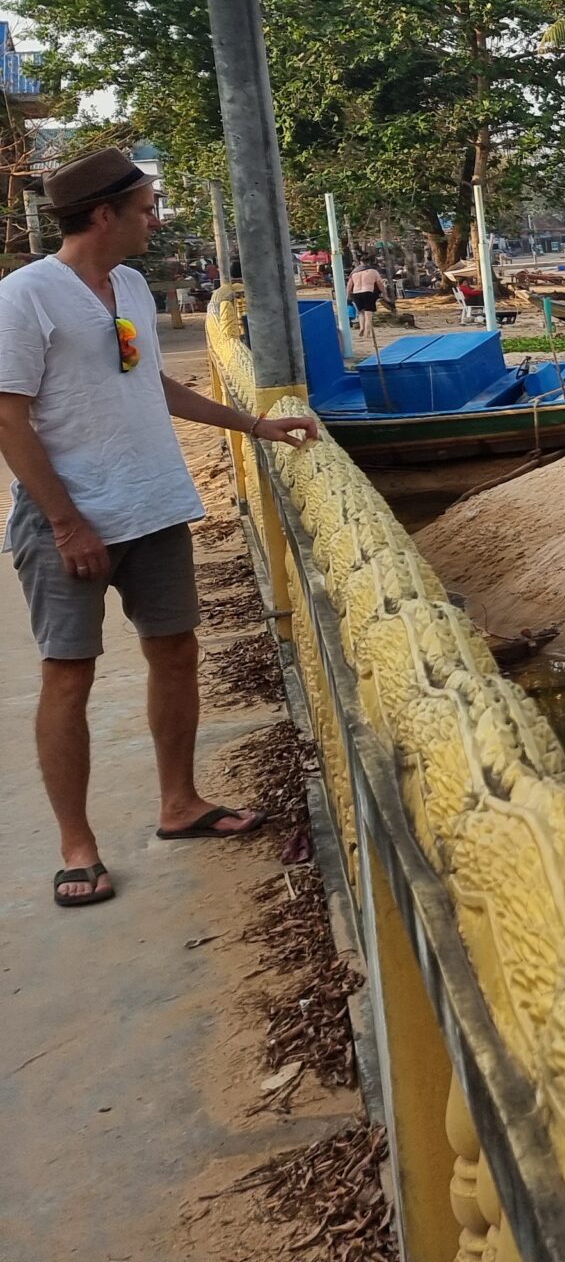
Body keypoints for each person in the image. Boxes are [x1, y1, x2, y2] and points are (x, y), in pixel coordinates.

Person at [0, 148, 317, 910]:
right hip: (68, 524)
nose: (156, 217)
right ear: (104, 214)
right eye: (146, 206)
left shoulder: (132, 286)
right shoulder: (25, 296)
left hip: (155, 508)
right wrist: (67, 523)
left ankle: (180, 804)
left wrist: (252, 425)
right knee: (68, 675)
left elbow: (151, 380)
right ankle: (78, 846)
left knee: (175, 653)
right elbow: (9, 416)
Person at [347, 258, 386, 339]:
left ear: (360, 262)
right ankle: (367, 333)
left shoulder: (354, 272)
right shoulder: (373, 271)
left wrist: (348, 296)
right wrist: (384, 293)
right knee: (368, 314)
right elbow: (380, 283)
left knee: (361, 312)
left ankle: (362, 328)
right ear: (369, 263)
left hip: (356, 293)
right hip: (368, 291)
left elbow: (349, 286)